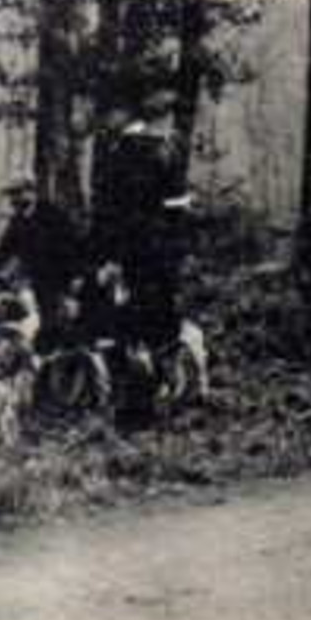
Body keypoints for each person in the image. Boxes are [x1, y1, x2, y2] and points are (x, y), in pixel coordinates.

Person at [88, 95, 193, 428]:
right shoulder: (165, 149)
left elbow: (113, 217)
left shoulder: (122, 154)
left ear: (123, 114)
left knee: (129, 333)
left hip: (134, 260)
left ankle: (138, 412)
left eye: (109, 112)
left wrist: (110, 259)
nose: (105, 120)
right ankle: (164, 404)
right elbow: (177, 209)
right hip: (161, 260)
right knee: (157, 332)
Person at [0, 175, 83, 345]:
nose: (13, 199)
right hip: (36, 282)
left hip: (58, 282)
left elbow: (72, 249)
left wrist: (74, 280)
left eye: (17, 193)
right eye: (11, 195)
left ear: (31, 193)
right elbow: (3, 250)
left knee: (56, 330)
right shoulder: (18, 221)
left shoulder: (53, 216)